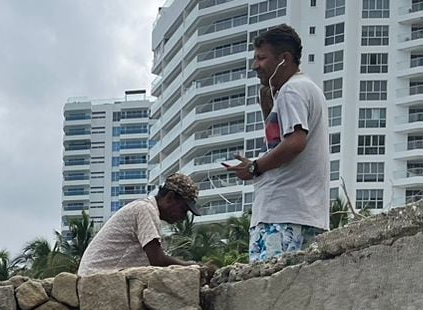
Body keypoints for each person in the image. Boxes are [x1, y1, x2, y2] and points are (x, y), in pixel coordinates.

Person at [223, 24, 329, 262]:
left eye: (261, 58)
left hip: (280, 214)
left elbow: (294, 143)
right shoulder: (308, 89)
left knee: (267, 294)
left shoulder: (292, 91)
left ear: (284, 59)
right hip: (306, 214)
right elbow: (284, 142)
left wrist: (254, 168)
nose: (255, 66)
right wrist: (268, 107)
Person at [77, 173, 209, 276]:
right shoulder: (145, 209)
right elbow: (158, 260)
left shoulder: (146, 209)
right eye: (183, 209)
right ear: (169, 198)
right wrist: (193, 267)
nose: (184, 217)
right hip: (95, 279)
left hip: (97, 276)